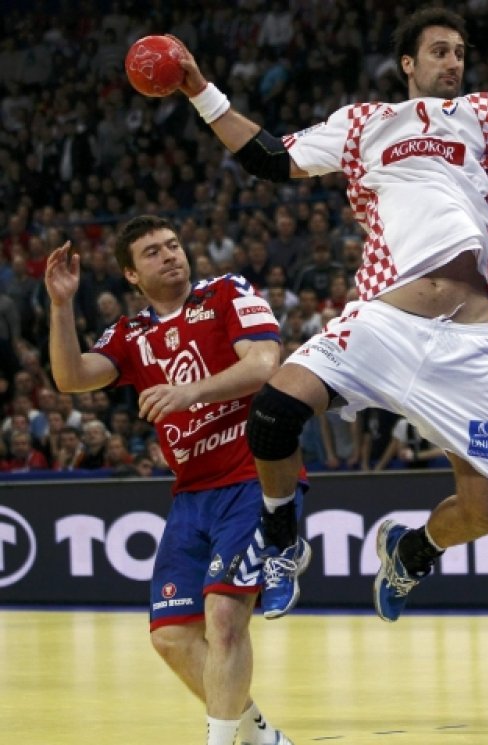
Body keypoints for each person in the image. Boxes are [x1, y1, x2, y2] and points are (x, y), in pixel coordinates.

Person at [168, 7, 488, 623]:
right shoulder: (364, 124)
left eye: (460, 53)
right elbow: (267, 156)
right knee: (274, 414)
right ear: (408, 64)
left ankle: (413, 550)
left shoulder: (486, 115)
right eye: (440, 51)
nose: (453, 62)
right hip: (382, 325)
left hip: (465, 347)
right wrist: (198, 89)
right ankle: (281, 539)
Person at [44, 216, 296, 745]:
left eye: (173, 245)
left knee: (223, 617)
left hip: (251, 477)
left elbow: (264, 364)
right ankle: (259, 737)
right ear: (132, 275)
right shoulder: (131, 333)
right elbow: (71, 378)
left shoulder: (226, 292)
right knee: (172, 636)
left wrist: (189, 392)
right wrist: (62, 305)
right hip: (191, 494)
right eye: (153, 252)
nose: (169, 255)